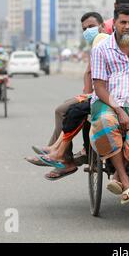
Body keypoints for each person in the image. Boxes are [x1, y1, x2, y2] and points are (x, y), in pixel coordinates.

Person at [84, 4, 129, 205]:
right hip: (107, 101)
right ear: (114, 23)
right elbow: (99, 87)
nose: (127, 27)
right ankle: (125, 180)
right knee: (105, 122)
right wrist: (118, 110)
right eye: (123, 22)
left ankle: (117, 176)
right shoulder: (100, 50)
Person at [26, 12, 107, 180]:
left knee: (65, 110)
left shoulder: (106, 42)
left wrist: (89, 95)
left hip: (107, 94)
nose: (88, 31)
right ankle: (59, 153)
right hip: (95, 92)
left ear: (102, 26)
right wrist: (86, 93)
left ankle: (60, 155)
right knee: (64, 109)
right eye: (84, 29)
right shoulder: (96, 43)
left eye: (91, 27)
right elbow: (88, 72)